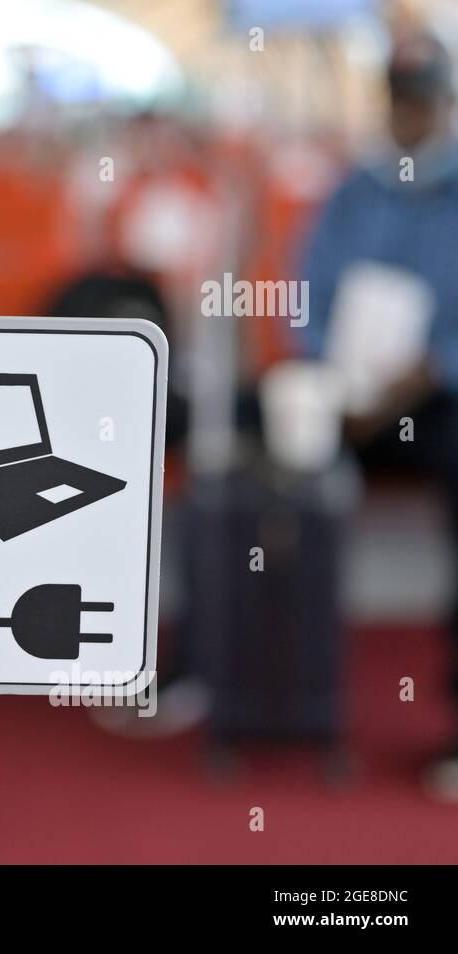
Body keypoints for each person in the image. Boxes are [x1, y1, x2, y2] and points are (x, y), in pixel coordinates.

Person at [298, 30, 458, 800]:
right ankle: (260, 689)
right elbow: (308, 298)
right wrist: (340, 375)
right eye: (400, 104)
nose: (410, 120)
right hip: (349, 402)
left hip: (439, 403)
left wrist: (426, 371)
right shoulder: (352, 191)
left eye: (422, 104)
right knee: (266, 476)